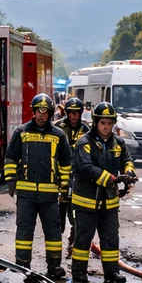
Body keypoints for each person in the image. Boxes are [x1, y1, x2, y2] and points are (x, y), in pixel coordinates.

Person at [4, 93, 71, 279]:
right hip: (26, 195)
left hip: (50, 196)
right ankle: (23, 265)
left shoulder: (59, 135)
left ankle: (54, 266)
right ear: (34, 112)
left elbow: (66, 163)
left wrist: (65, 187)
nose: (42, 116)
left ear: (50, 113)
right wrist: (11, 180)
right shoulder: (21, 132)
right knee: (24, 230)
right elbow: (10, 157)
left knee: (53, 232)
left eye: (45, 112)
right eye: (39, 112)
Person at [71, 101, 136, 283]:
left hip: (109, 203)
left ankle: (111, 273)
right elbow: (86, 168)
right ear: (95, 123)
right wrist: (111, 178)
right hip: (87, 202)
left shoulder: (119, 143)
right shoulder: (85, 143)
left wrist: (129, 172)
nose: (106, 127)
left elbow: (127, 160)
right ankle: (79, 273)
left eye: (109, 123)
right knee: (83, 239)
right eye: (103, 123)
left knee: (110, 239)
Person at [56, 97, 90, 256]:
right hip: (59, 180)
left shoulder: (87, 130)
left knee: (77, 217)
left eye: (77, 113)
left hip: (78, 180)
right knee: (57, 220)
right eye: (71, 113)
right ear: (66, 113)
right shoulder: (58, 128)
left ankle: (73, 244)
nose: (74, 116)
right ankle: (54, 250)